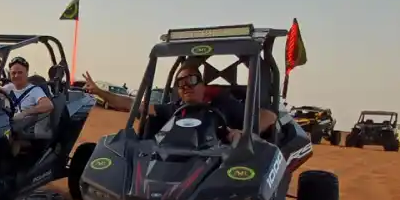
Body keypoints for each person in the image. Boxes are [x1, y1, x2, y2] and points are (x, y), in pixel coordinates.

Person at [83, 59, 277, 142]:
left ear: (203, 85)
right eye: (181, 83)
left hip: (218, 166)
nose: (186, 86)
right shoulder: (172, 109)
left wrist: (244, 135)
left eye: (192, 80)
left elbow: (268, 116)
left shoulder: (222, 104)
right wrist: (99, 91)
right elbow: (130, 104)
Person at [0, 56, 54, 122]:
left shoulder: (35, 90)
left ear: (27, 73)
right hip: (5, 125)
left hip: (24, 128)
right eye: (13, 73)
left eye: (20, 73)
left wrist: (25, 113)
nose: (16, 76)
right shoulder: (8, 87)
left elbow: (48, 105)